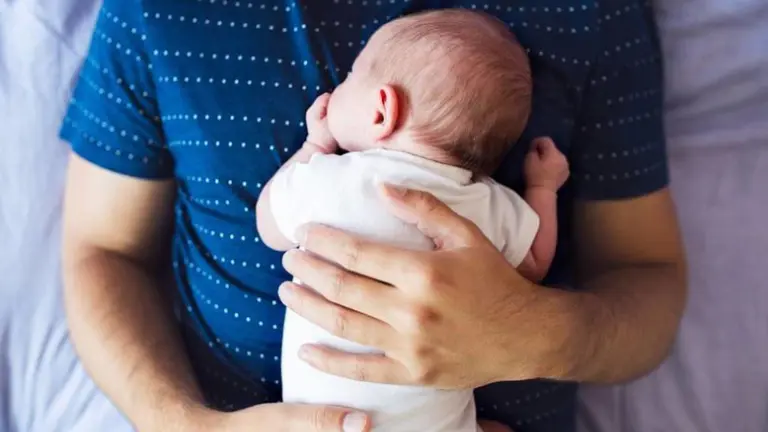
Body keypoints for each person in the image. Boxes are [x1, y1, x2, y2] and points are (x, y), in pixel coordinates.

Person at [60, 1, 686, 431]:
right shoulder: (493, 201)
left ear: (381, 109)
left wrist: (531, 336)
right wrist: (186, 425)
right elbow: (102, 252)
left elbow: (647, 275)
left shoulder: (591, 13)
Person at [257, 10, 569, 431]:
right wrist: (543, 189)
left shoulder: (331, 180)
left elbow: (268, 225)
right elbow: (533, 265)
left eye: (351, 77)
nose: (339, 87)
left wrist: (316, 144)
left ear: (381, 110)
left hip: (329, 421)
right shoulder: (487, 203)